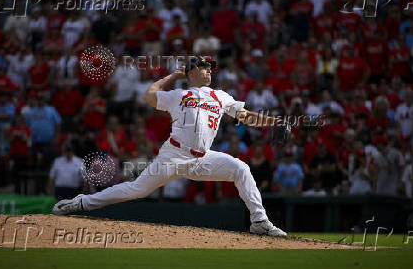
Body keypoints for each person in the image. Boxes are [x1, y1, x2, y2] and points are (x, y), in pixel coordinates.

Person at [53, 56, 287, 236]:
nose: (209, 71)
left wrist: (274, 122)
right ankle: (82, 202)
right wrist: (173, 77)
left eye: (210, 68)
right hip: (173, 155)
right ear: (192, 71)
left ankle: (259, 222)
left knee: (241, 168)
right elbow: (149, 96)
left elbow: (245, 116)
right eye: (205, 67)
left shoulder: (220, 96)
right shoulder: (179, 94)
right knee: (137, 189)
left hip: (202, 159)